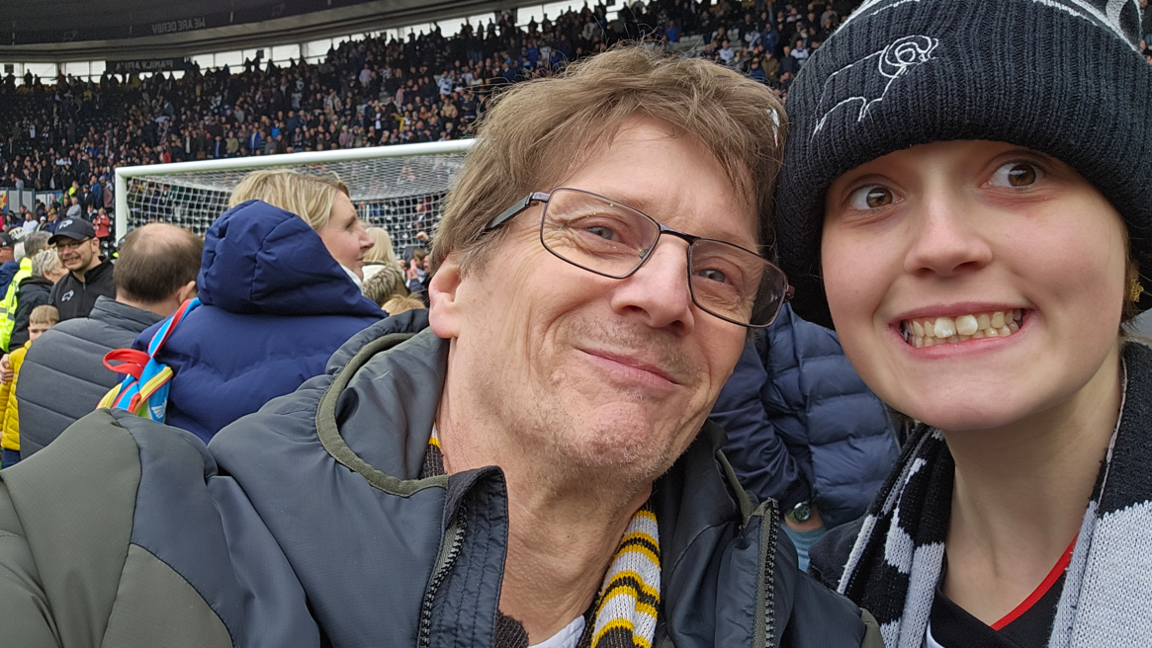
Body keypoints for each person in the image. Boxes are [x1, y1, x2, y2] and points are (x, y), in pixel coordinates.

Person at [0, 47, 881, 647]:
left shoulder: (818, 629)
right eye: (603, 231)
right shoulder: (109, 544)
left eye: (721, 273)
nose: (664, 294)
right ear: (452, 285)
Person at [773, 2, 1152, 647]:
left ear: (1132, 239)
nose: (941, 245)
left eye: (1019, 173)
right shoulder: (822, 603)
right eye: (874, 195)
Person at [122, 170, 383, 443]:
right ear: (300, 236)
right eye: (350, 226)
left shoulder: (168, 334)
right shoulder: (368, 343)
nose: (368, 239)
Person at [709, 302, 898, 571]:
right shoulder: (771, 293)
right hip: (811, 530)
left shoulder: (864, 288)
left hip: (884, 520)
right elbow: (731, 405)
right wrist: (793, 503)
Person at [16, 224, 202, 458]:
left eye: (74, 244)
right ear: (185, 294)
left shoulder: (42, 348)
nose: (67, 251)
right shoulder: (168, 369)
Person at [0, 304, 58, 468]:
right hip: (12, 440)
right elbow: (3, 394)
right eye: (35, 331)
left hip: (40, 442)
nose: (39, 336)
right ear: (28, 330)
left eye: (45, 331)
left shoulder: (58, 360)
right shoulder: (16, 357)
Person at [48, 217, 116, 321]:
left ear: (94, 244)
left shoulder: (119, 282)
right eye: (61, 246)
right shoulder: (59, 289)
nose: (66, 252)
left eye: (74, 244)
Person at [9, 248, 67, 351]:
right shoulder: (41, 297)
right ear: (47, 274)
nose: (69, 270)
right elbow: (20, 336)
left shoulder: (33, 290)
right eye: (63, 267)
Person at [0, 232, 49, 353]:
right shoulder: (32, 277)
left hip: (5, 337)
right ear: (44, 250)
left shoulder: (21, 272)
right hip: (15, 343)